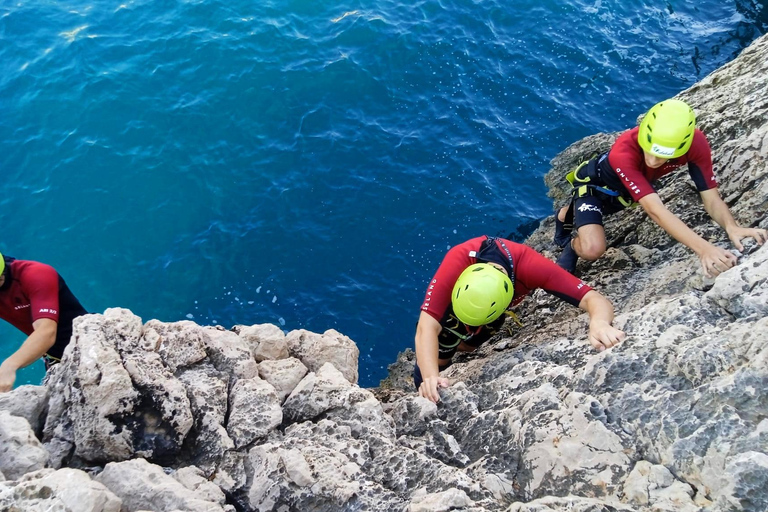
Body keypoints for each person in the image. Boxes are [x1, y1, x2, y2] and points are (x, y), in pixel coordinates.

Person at [554, 99, 767, 275]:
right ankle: (570, 239)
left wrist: (732, 227)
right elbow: (655, 210)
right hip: (594, 187)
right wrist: (704, 249)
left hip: (627, 193)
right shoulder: (624, 152)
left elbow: (710, 197)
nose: (654, 161)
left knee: (601, 213)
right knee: (592, 248)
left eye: (664, 156)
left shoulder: (696, 144)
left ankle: (569, 216)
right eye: (649, 150)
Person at [414, 235, 625, 403]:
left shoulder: (531, 267)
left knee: (469, 346)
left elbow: (594, 298)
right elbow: (426, 328)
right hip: (466, 303)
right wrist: (431, 378)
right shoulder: (459, 259)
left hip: (493, 309)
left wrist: (599, 322)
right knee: (444, 342)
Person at [0, 252, 88, 392]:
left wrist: (9, 366)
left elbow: (46, 332)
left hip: (89, 346)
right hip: (54, 359)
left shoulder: (35, 274)